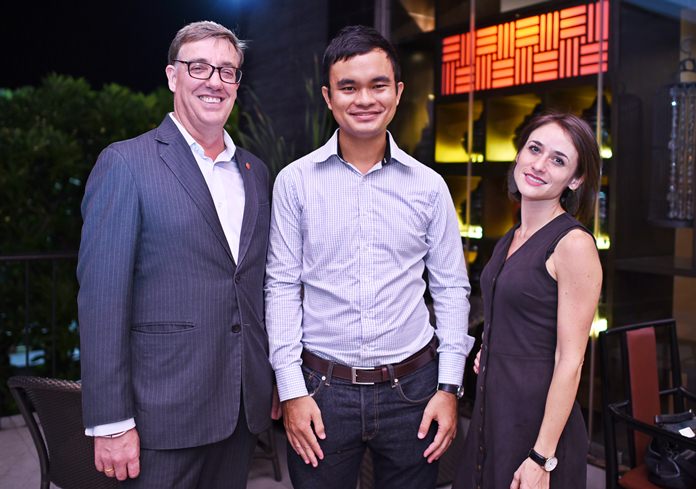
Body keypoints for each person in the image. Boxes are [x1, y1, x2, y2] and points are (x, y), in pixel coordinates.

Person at [265, 25, 473, 489]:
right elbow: (280, 287)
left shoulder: (429, 187)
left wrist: (449, 387)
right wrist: (292, 389)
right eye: (348, 87)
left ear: (398, 92)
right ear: (328, 96)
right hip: (321, 391)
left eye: (378, 85)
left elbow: (451, 290)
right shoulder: (294, 183)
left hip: (414, 391)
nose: (364, 99)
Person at [77, 20, 274, 489]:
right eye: (200, 66)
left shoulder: (256, 172)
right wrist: (111, 422)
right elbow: (102, 301)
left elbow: (258, 285)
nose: (215, 81)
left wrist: (270, 381)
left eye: (228, 71)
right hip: (160, 418)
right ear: (172, 76)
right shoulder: (126, 164)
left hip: (240, 410)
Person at [453, 112, 603, 489]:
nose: (539, 165)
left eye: (558, 160)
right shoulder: (513, 234)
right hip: (494, 410)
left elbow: (571, 360)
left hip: (537, 423)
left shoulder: (574, 244)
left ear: (576, 179)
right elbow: (516, 311)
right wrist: (490, 346)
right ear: (518, 154)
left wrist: (542, 457)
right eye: (534, 149)